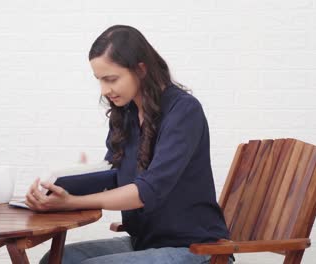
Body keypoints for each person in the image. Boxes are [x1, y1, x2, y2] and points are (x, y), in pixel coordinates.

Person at [25, 25, 234, 264]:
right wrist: (54, 190)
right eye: (99, 80)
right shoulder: (127, 114)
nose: (105, 90)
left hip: (194, 248)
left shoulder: (184, 111)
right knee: (56, 259)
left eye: (111, 79)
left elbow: (149, 190)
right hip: (146, 243)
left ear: (140, 69)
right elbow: (114, 175)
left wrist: (73, 203)